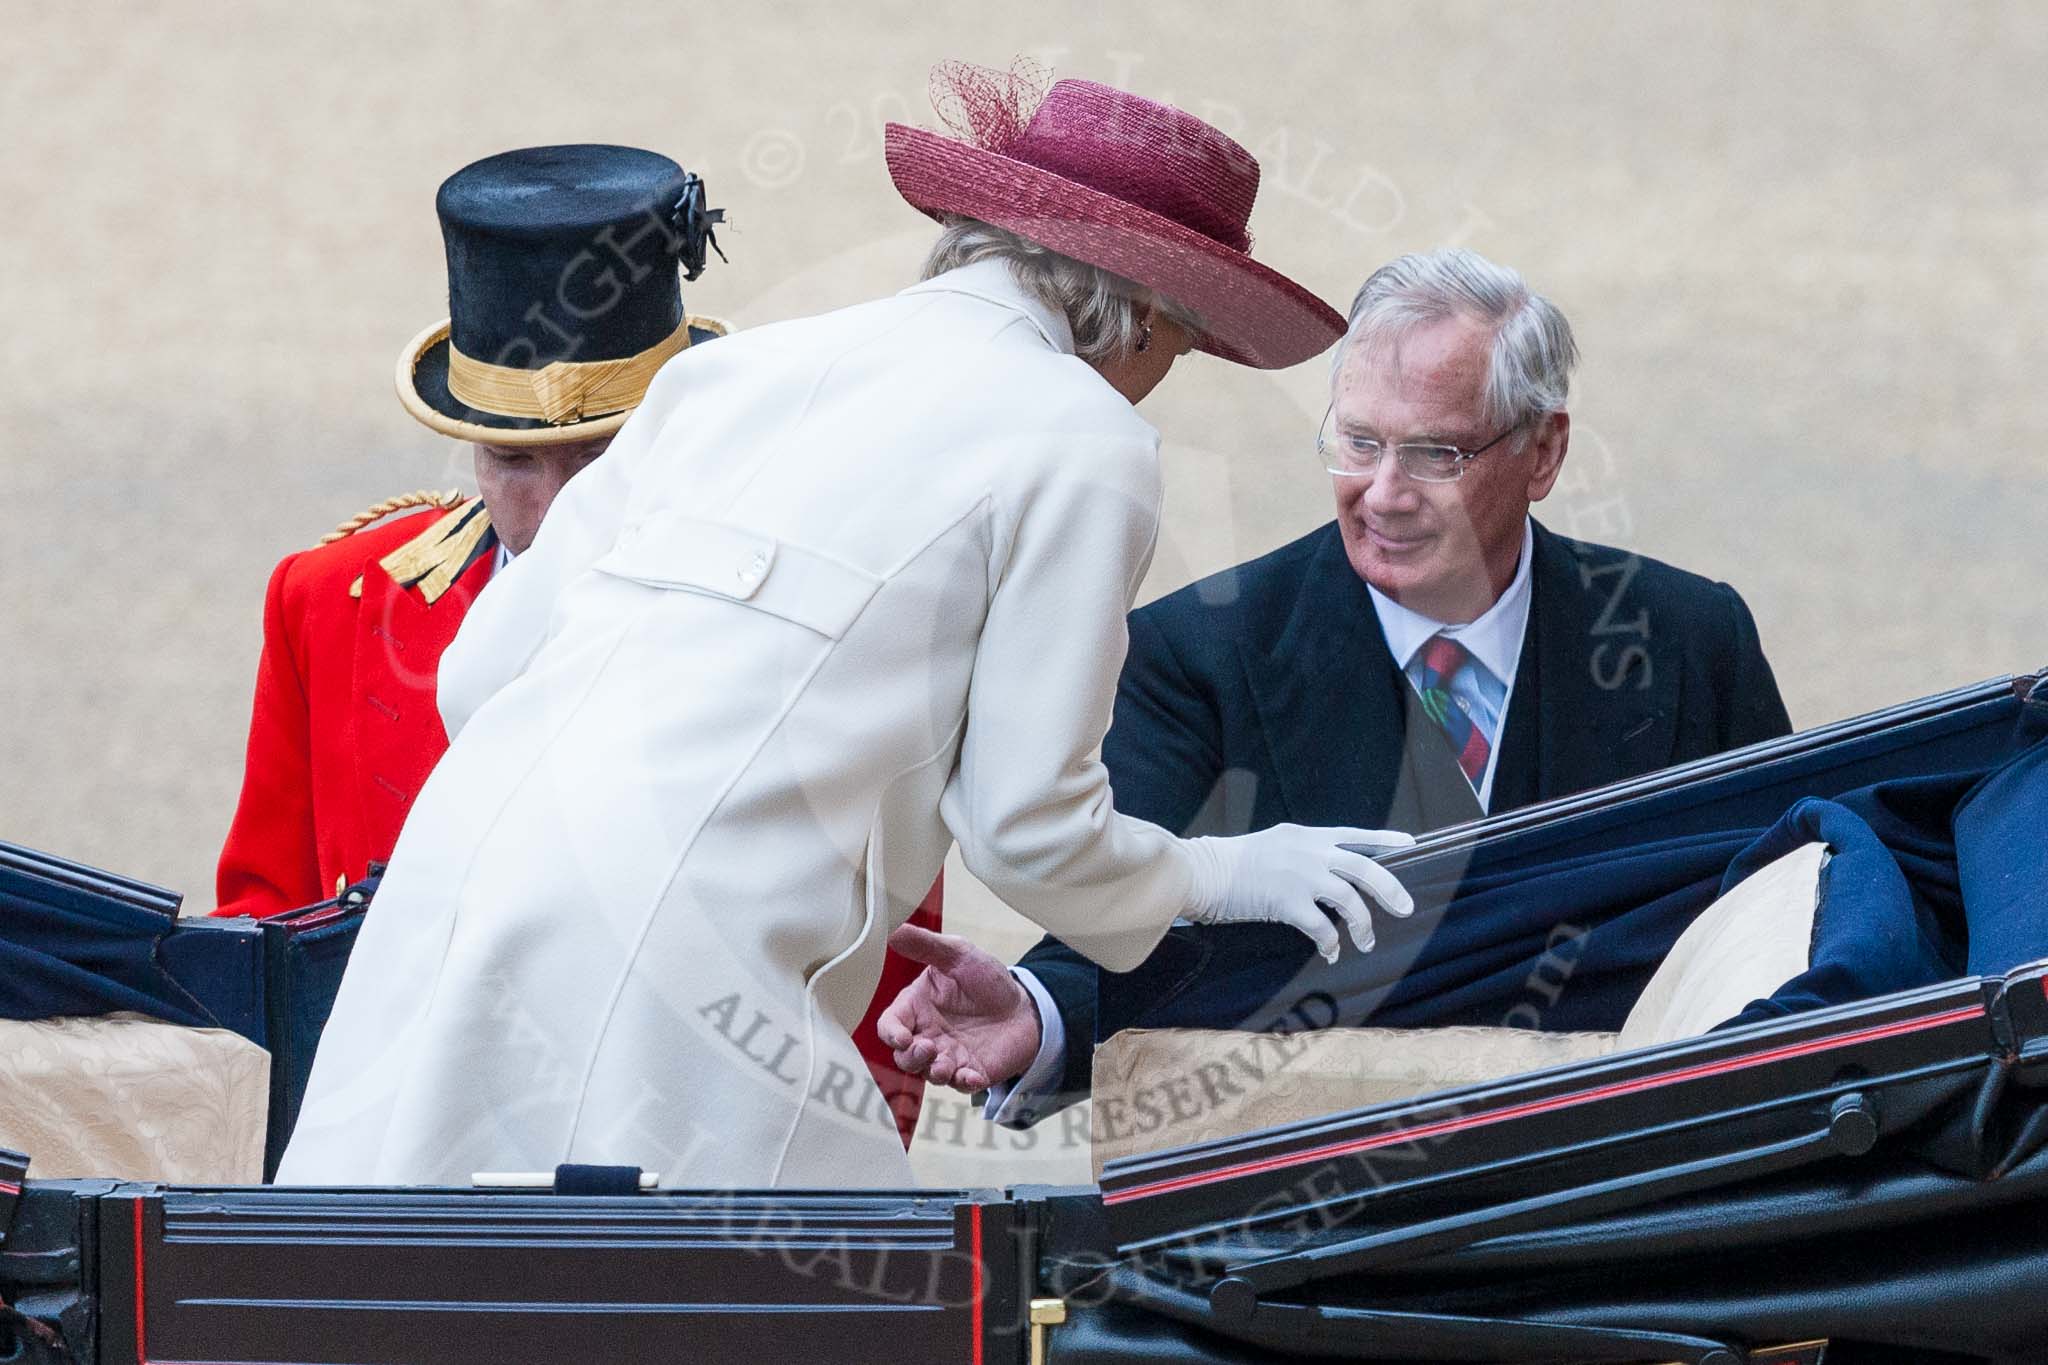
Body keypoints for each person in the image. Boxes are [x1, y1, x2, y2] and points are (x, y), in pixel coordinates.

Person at [274, 66, 1418, 1190]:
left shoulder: (736, 371)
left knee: (381, 1286)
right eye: (1173, 350)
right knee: (795, 1310)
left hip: (457, 886)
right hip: (687, 953)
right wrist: (1222, 876)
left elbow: (479, 677)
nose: (1155, 381)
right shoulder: (1083, 436)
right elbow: (1027, 829)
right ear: (1138, 317)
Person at [878, 248, 1795, 1128]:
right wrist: (1040, 1011)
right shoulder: (1196, 653)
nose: (1383, 493)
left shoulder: (1686, 637)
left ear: (1543, 452)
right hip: (1320, 1213)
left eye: (1435, 454)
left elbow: (1776, 900)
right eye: (1358, 443)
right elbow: (1137, 905)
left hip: (1623, 1184)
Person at [210, 143, 940, 1148]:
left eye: (602, 456)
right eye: (512, 460)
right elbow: (264, 939)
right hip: (387, 1189)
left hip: (705, 1199)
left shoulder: (823, 625)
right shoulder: (328, 600)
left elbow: (887, 985)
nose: (556, 506)